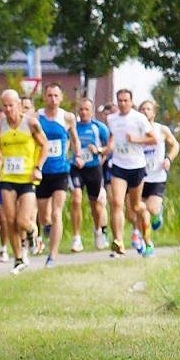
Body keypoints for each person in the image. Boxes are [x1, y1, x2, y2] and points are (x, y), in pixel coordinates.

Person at [0, 89, 47, 273]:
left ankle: (31, 232)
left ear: (19, 105)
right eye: (5, 106)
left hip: (27, 177)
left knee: (22, 221)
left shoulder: (31, 123)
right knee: (9, 220)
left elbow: (44, 145)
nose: (8, 109)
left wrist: (38, 167)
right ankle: (18, 258)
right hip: (7, 177)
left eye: (11, 105)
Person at [103, 89, 157, 256]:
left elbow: (153, 139)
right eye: (120, 100)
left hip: (137, 166)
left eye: (126, 100)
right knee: (116, 203)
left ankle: (148, 241)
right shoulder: (112, 119)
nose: (122, 103)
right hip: (119, 165)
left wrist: (136, 139)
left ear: (131, 102)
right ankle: (118, 241)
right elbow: (113, 139)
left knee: (136, 206)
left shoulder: (139, 118)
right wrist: (104, 149)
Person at [35, 83, 79, 267]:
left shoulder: (67, 117)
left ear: (61, 98)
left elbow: (74, 139)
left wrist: (77, 156)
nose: (52, 99)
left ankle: (52, 255)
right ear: (44, 97)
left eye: (56, 96)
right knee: (44, 216)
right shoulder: (36, 117)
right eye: (49, 95)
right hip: (42, 172)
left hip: (61, 170)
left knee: (56, 213)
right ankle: (47, 229)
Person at [70, 97, 110, 251]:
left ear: (92, 111)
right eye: (81, 109)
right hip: (77, 168)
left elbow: (109, 148)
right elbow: (67, 145)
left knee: (96, 205)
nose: (83, 112)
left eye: (86, 109)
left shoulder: (99, 127)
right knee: (76, 200)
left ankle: (98, 230)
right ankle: (76, 238)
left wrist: (98, 151)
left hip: (94, 168)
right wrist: (74, 157)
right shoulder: (73, 127)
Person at [138, 100, 179, 236]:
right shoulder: (135, 130)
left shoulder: (161, 129)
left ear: (154, 113)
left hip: (157, 175)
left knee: (151, 208)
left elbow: (175, 145)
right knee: (140, 211)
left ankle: (158, 211)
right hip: (140, 176)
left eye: (148, 109)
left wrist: (168, 158)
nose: (145, 111)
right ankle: (145, 240)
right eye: (142, 109)